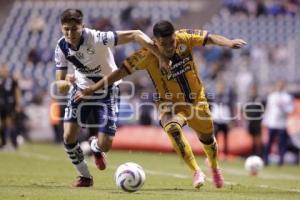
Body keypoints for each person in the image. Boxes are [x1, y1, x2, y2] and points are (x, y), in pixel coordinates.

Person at [75, 20, 246, 188]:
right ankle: (196, 171)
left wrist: (229, 43)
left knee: (208, 139)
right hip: (167, 102)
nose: (170, 47)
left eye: (171, 41)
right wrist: (92, 88)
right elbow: (119, 72)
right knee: (172, 127)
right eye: (164, 44)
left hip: (196, 100)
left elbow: (210, 38)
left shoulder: (184, 37)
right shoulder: (146, 55)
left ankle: (214, 167)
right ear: (155, 42)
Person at [55, 9, 167, 187]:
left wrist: (160, 56)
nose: (70, 33)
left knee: (106, 144)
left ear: (82, 27)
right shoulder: (61, 47)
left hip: (107, 91)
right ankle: (85, 177)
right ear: (62, 28)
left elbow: (136, 34)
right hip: (81, 91)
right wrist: (66, 82)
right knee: (68, 136)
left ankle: (96, 148)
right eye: (66, 29)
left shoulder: (98, 38)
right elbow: (59, 83)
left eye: (74, 29)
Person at [263, 80, 294, 166]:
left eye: (281, 85)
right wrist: (265, 121)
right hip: (272, 123)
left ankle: (281, 161)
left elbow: (291, 110)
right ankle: (265, 159)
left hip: (282, 124)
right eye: (278, 84)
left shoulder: (287, 97)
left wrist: (283, 106)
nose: (280, 86)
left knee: (282, 143)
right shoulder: (272, 96)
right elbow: (268, 110)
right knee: (269, 142)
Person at [0, 64, 22, 150]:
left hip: (10, 104)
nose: (2, 71)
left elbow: (17, 91)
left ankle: (13, 143)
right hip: (1, 105)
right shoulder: (1, 80)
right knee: (2, 124)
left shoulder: (12, 80)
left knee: (10, 124)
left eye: (4, 69)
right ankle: (4, 143)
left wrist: (17, 104)